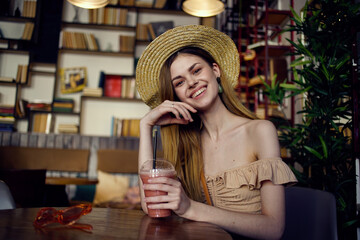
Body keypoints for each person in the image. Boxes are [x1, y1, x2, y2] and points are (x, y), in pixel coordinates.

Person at [135, 25, 297, 240]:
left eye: (196, 70)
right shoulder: (187, 144)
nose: (192, 83)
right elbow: (150, 206)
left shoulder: (260, 131)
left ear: (216, 70)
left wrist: (190, 208)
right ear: (176, 96)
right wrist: (146, 126)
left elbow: (274, 228)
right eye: (180, 82)